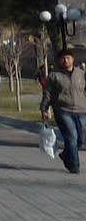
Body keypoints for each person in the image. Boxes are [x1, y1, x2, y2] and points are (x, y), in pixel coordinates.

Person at [42, 47, 86, 176]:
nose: (66, 60)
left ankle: (66, 155)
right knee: (72, 137)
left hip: (81, 110)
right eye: (63, 58)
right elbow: (48, 93)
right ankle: (74, 166)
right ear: (59, 61)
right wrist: (44, 108)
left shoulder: (81, 73)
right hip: (63, 110)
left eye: (68, 58)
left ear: (73, 59)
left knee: (80, 140)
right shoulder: (54, 75)